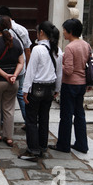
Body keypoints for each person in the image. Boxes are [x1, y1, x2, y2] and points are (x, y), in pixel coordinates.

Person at [19, 21, 63, 161]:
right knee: (44, 118)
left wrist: (25, 91)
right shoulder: (58, 50)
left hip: (37, 88)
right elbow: (59, 72)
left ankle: (33, 150)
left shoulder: (37, 49)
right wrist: (57, 89)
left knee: (32, 120)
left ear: (41, 33)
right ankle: (42, 146)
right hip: (50, 88)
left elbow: (30, 72)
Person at [49, 18, 90, 154]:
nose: (64, 33)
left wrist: (58, 64)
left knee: (66, 116)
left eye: (65, 30)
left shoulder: (70, 47)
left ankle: (63, 145)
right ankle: (82, 144)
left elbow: (68, 70)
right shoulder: (86, 45)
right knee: (79, 115)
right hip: (82, 84)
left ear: (71, 32)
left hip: (70, 84)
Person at [0, 16, 24, 147]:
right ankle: (8, 137)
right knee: (9, 110)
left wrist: (5, 75)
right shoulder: (17, 43)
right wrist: (13, 75)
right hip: (13, 82)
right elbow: (21, 62)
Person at [0, 6, 32, 129]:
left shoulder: (0, 32)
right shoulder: (22, 29)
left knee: (1, 97)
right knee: (20, 94)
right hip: (20, 68)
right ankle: (29, 121)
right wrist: (27, 67)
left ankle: (0, 122)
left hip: (3, 70)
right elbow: (27, 49)